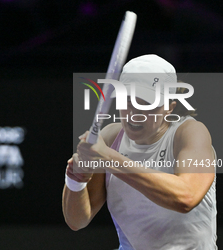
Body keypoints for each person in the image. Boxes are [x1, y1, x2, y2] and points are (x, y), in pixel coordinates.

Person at [62, 54, 217, 249]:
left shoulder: (190, 133)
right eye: (128, 100)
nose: (135, 112)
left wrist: (109, 158)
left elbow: (186, 197)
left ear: (170, 106)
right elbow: (77, 221)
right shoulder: (110, 138)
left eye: (147, 103)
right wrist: (75, 181)